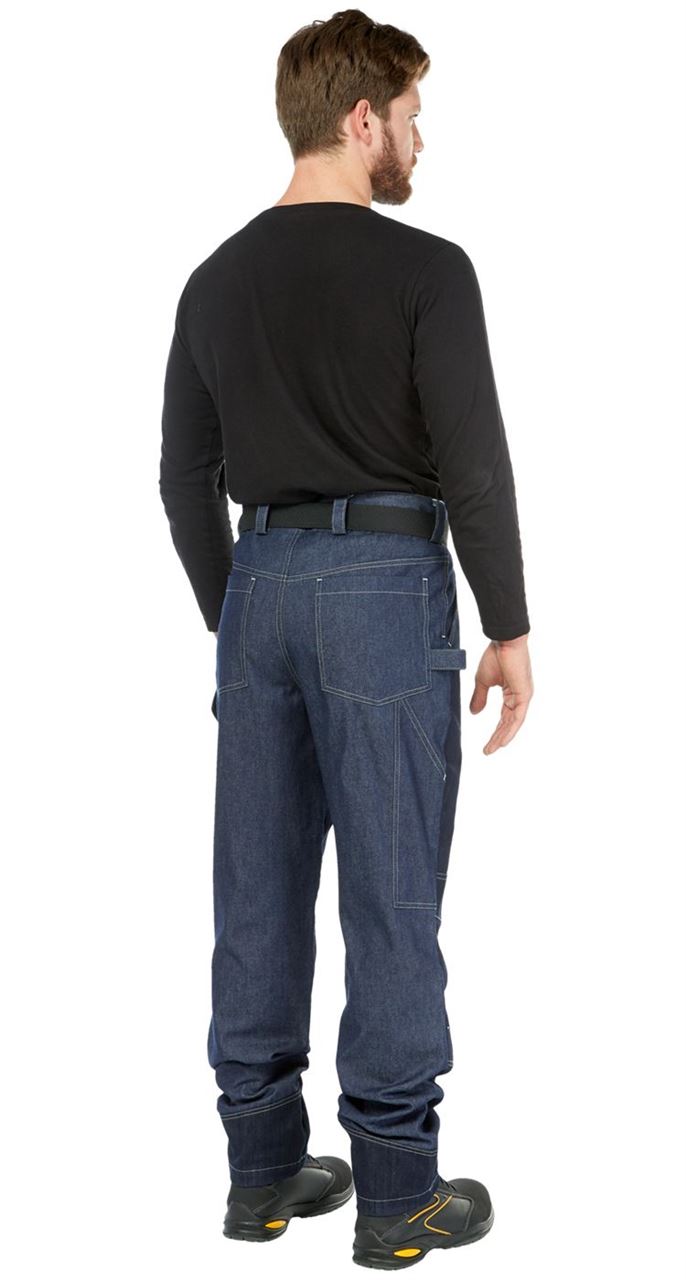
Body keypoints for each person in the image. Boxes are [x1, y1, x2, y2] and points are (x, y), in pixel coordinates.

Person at [159, 8, 533, 1269]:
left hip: (258, 586)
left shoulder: (214, 279)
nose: (422, 138)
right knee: (391, 887)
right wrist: (507, 622)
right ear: (361, 118)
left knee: (254, 884)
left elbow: (182, 477)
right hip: (383, 587)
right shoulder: (427, 270)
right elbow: (471, 466)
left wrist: (239, 613)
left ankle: (262, 1170)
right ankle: (396, 1190)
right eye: (412, 115)